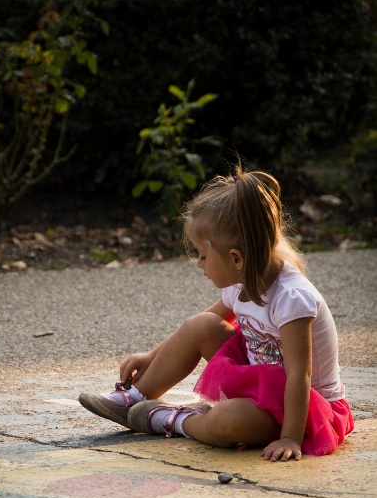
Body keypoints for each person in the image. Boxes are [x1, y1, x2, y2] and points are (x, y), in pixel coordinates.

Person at [79, 168, 354, 460]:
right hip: (261, 380)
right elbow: (193, 331)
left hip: (305, 409)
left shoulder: (291, 298)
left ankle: (175, 420)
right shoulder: (242, 280)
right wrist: (151, 356)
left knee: (226, 420)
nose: (198, 263)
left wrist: (290, 438)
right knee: (202, 324)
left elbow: (300, 375)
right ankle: (133, 397)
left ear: (236, 258)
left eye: (203, 255)